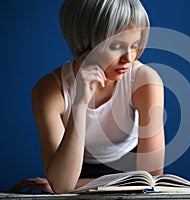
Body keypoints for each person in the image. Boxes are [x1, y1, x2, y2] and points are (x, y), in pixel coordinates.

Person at [10, 0, 165, 194]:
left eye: (135, 45)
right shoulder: (49, 90)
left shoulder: (144, 80)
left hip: (133, 180)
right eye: (116, 46)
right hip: (76, 170)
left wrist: (77, 184)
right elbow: (62, 184)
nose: (129, 58)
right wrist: (80, 102)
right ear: (83, 42)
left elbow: (151, 175)